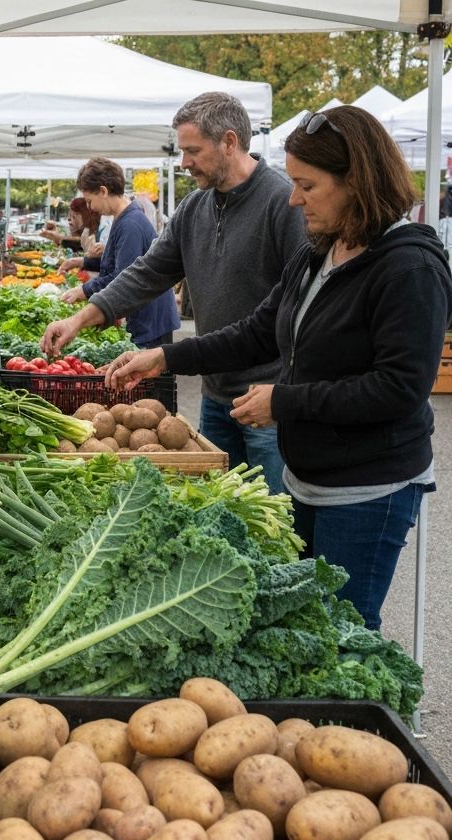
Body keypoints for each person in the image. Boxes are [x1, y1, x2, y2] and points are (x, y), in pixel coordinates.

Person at [107, 106, 451, 631]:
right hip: (308, 477)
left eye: (307, 186)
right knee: (306, 623)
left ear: (356, 181)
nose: (293, 199)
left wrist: (284, 401)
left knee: (343, 632)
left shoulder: (410, 267)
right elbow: (260, 329)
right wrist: (168, 355)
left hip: (368, 489)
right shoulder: (323, 250)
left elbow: (398, 388)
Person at [42, 92, 307, 493]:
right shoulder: (194, 208)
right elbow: (148, 272)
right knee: (225, 510)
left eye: (192, 151)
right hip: (216, 395)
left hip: (268, 399)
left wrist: (284, 391)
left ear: (229, 143)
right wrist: (82, 316)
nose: (183, 163)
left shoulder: (283, 202)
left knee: (277, 521)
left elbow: (302, 308)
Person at [60, 159, 179, 349]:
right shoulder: (125, 217)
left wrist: (83, 290)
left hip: (150, 320)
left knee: (151, 376)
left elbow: (123, 276)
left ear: (103, 191)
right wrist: (83, 261)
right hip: (148, 315)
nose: (90, 208)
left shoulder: (129, 224)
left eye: (90, 201)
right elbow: (119, 262)